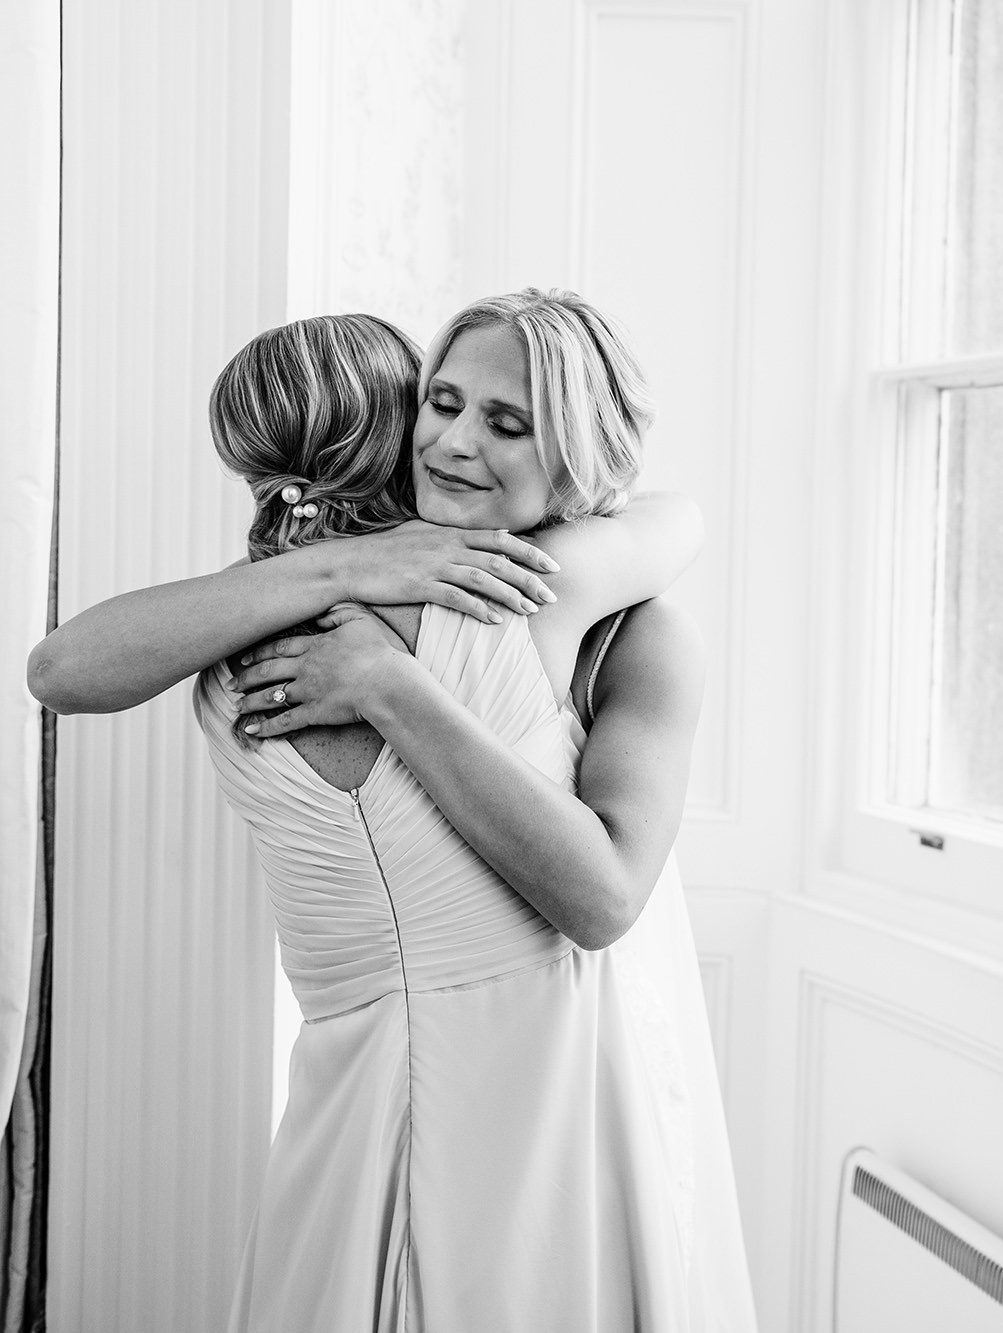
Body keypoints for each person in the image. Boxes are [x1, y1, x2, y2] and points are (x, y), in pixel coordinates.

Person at [29, 294, 755, 1330]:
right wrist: (348, 567)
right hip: (367, 1093)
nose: (456, 441)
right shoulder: (296, 613)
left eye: (506, 422)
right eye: (443, 403)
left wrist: (389, 682)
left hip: (544, 1106)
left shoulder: (578, 617)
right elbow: (57, 670)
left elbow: (602, 898)